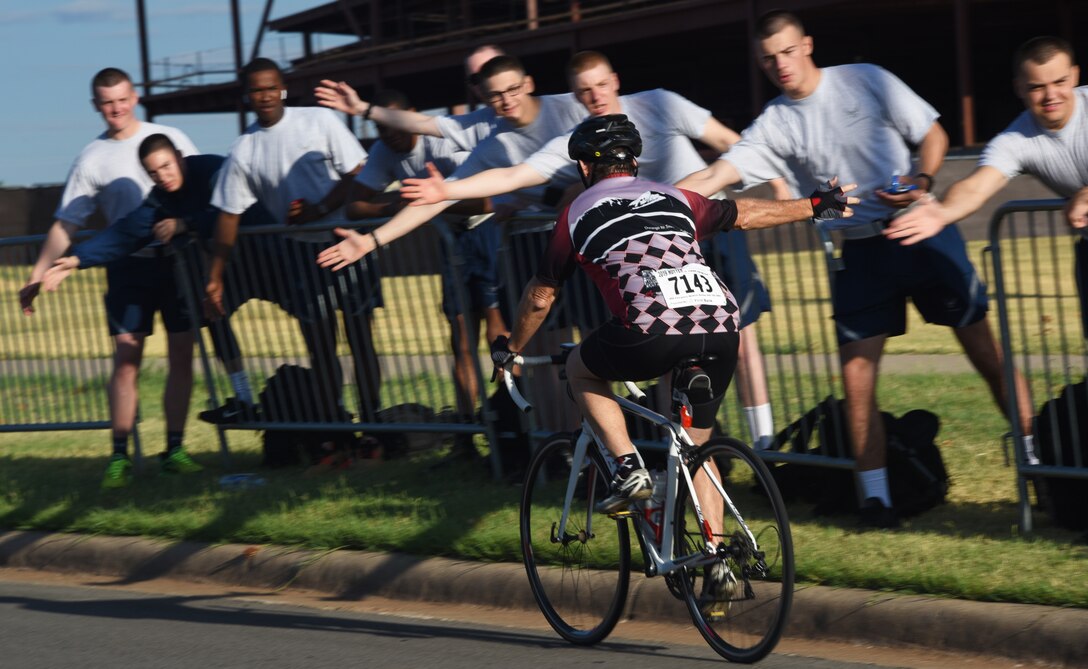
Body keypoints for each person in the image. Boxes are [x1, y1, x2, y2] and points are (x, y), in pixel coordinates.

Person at [677, 10, 1033, 528]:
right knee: (857, 378)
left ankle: (1040, 470)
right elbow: (716, 173)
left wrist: (923, 180)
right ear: (761, 63)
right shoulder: (774, 123)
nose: (781, 64)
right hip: (861, 254)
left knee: (986, 355)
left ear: (808, 45)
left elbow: (933, 134)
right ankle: (875, 500)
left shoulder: (866, 80)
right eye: (769, 58)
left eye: (789, 51)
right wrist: (654, 201)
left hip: (920, 231)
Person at [484, 116, 852, 611]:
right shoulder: (675, 197)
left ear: (583, 166)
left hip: (651, 327)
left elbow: (541, 296)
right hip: (722, 325)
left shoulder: (575, 212)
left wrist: (509, 348)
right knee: (695, 443)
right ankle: (717, 558)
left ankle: (629, 469)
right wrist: (815, 206)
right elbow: (747, 213)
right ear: (635, 161)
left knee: (581, 370)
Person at [401, 49, 790, 448]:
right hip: (648, 254)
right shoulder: (578, 142)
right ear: (573, 96)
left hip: (705, 229)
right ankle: (671, 451)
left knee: (740, 342)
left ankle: (764, 443)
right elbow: (514, 175)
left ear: (616, 80)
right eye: (583, 91)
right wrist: (447, 189)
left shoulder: (659, 103)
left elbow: (728, 141)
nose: (596, 96)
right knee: (667, 346)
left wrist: (777, 183)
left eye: (602, 84)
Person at [894, 37, 1086, 467]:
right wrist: (941, 212)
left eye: (1060, 82)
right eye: (1038, 87)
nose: (1051, 95)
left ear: (1075, 77)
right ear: (1020, 87)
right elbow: (978, 184)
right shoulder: (1018, 137)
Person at [17, 67, 202, 489]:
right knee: (126, 361)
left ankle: (175, 449)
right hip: (127, 268)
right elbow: (66, 224)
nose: (115, 108)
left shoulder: (168, 138)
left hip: (177, 263)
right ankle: (119, 455)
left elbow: (200, 189)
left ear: (134, 97)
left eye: (121, 99)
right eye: (106, 102)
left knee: (181, 358)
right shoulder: (91, 158)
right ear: (95, 106)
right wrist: (37, 274)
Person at [40, 134, 274, 423]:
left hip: (274, 254)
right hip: (231, 265)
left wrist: (186, 223)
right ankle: (244, 399)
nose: (162, 176)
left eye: (166, 166)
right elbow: (126, 233)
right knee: (212, 310)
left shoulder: (214, 170)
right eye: (153, 172)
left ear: (178, 156)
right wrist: (76, 259)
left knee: (314, 319)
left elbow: (235, 212)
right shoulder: (161, 200)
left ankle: (328, 405)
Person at [208, 57, 378, 423]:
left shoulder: (318, 120)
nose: (265, 96)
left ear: (282, 89)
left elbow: (358, 172)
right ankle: (335, 424)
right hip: (300, 252)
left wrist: (322, 208)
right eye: (257, 90)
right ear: (246, 96)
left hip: (346, 241)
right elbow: (229, 215)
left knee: (360, 338)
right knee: (320, 346)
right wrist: (216, 274)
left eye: (271, 87)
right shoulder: (243, 150)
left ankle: (373, 421)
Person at [345, 89, 502, 454]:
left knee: (501, 331)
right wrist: (400, 200)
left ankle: (514, 420)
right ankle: (466, 433)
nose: (390, 136)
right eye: (381, 130)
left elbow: (491, 196)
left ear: (412, 115)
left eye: (394, 126)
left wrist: (438, 197)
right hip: (454, 243)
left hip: (489, 231)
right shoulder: (384, 152)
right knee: (460, 336)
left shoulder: (443, 141)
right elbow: (355, 206)